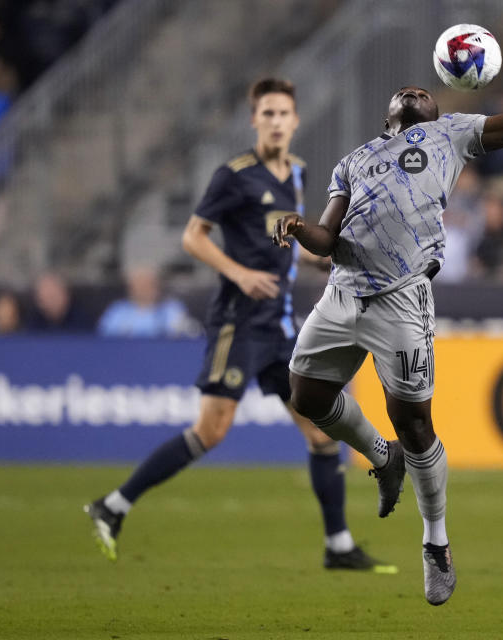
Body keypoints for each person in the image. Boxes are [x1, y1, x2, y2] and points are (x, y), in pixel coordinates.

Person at [273, 60, 503, 605]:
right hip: (343, 290)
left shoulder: (451, 134)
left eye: (425, 90)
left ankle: (436, 543)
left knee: (416, 424)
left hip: (401, 297)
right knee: (305, 394)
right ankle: (383, 457)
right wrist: (300, 226)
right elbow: (326, 239)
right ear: (388, 117)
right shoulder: (353, 163)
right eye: (407, 89)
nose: (415, 88)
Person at [85, 78, 393, 573]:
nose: (275, 121)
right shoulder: (234, 175)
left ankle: (338, 546)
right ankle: (113, 505)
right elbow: (193, 237)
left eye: (282, 113)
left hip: (279, 325)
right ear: (255, 120)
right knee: (212, 430)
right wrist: (240, 273)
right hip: (238, 322)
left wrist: (323, 261)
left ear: (295, 120)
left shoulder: (297, 171)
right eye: (266, 113)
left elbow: (283, 243)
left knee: (319, 429)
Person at [96, 265, 196, 338]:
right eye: (140, 285)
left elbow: (188, 333)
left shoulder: (172, 309)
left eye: (149, 284)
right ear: (131, 289)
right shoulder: (117, 311)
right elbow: (104, 339)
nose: (144, 289)